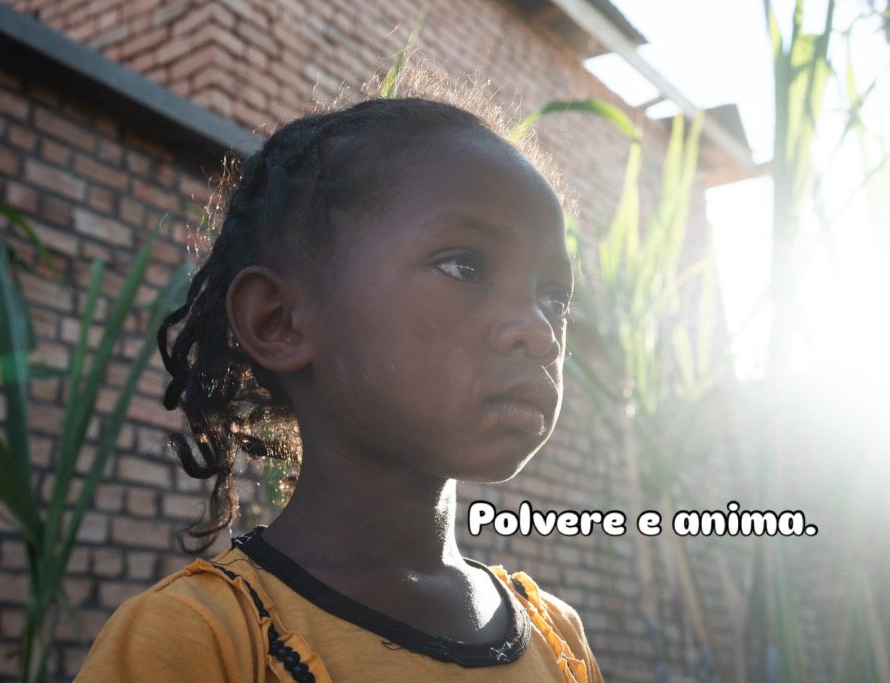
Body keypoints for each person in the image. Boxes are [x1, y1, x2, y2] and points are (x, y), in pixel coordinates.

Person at [74, 95, 604, 682]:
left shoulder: (558, 638)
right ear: (279, 321)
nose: (540, 332)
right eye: (465, 267)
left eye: (554, 298)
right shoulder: (198, 639)